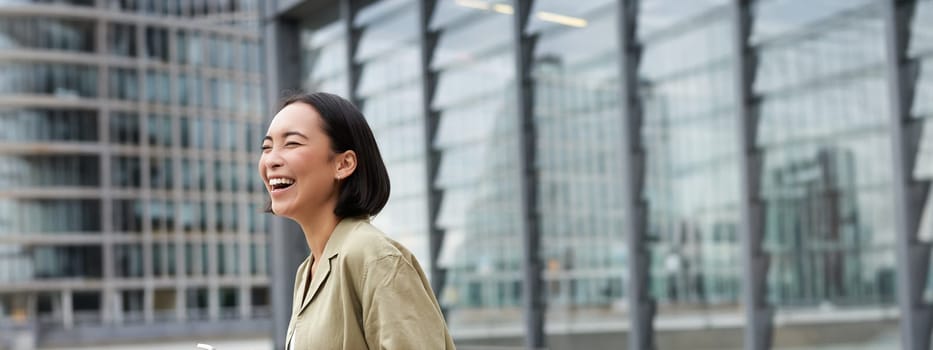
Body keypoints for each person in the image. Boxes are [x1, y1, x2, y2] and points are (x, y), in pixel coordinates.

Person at [258, 92, 455, 349]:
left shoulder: (373, 257)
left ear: (344, 163)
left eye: (292, 143)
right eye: (266, 147)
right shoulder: (307, 272)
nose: (271, 160)